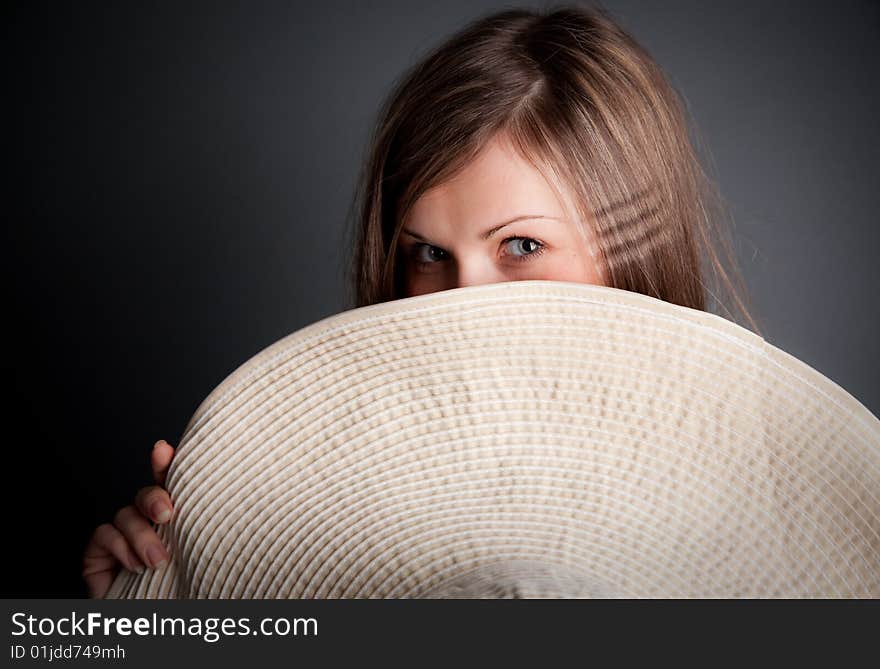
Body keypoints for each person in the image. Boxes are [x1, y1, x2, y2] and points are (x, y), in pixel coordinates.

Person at [82, 3, 759, 598]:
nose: (462, 302)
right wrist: (137, 616)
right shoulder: (328, 491)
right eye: (430, 253)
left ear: (631, 254)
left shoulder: (750, 495)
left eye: (522, 246)